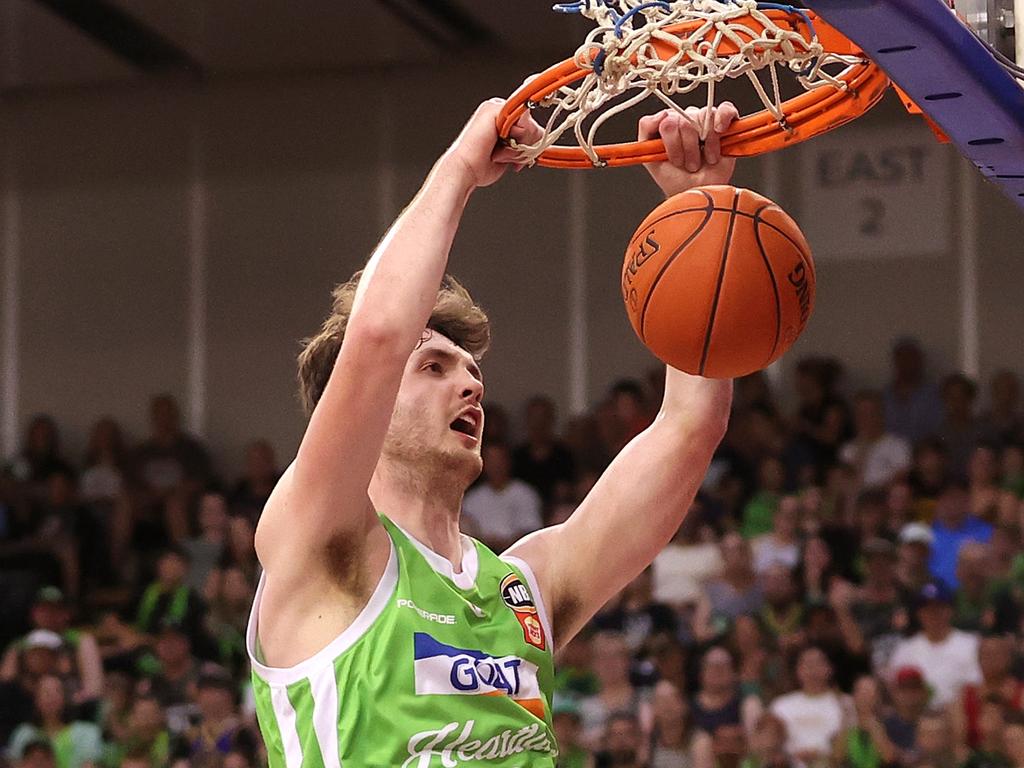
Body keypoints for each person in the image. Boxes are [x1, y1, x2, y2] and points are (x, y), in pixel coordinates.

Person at [245, 98, 738, 765]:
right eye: (435, 367)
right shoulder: (319, 544)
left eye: (472, 371)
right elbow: (382, 332)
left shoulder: (524, 585)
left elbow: (689, 430)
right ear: (369, 401)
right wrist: (459, 168)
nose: (472, 385)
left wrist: (702, 215)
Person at [888, 581, 982, 706]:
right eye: (928, 609)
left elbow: (977, 685)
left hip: (959, 715)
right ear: (919, 613)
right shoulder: (905, 649)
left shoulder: (971, 644)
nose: (934, 614)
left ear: (950, 610)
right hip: (917, 716)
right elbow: (896, 690)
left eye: (940, 608)